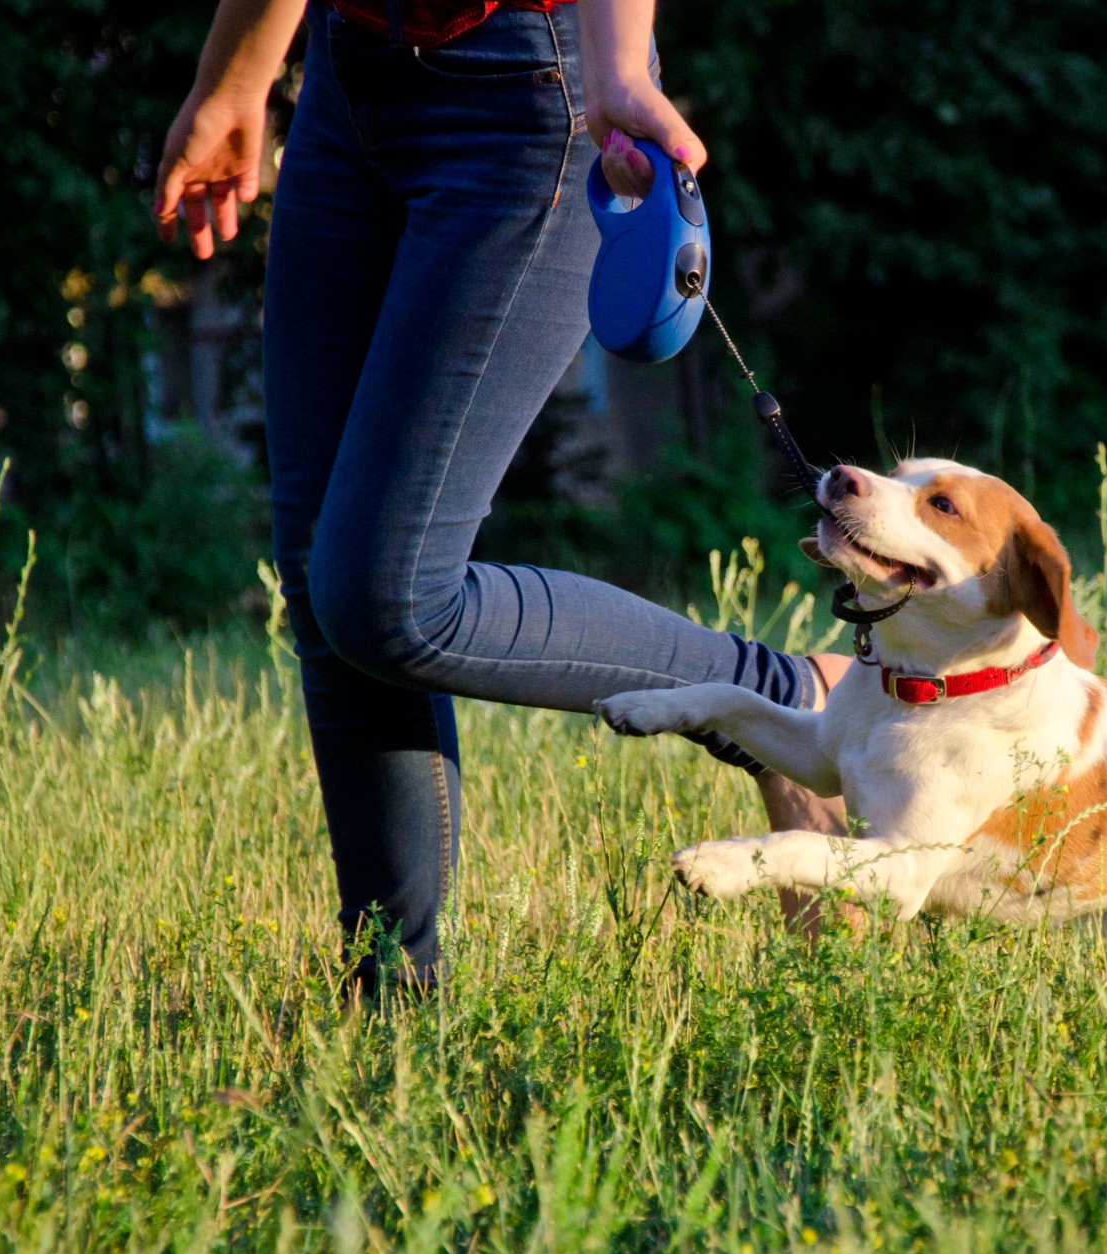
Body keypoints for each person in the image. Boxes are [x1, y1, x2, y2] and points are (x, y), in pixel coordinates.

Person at [155, 0, 849, 996]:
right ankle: (389, 1005)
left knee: (387, 594)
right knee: (327, 584)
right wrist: (239, 72)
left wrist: (616, 68)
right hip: (347, 80)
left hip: (528, 83)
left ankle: (780, 696)